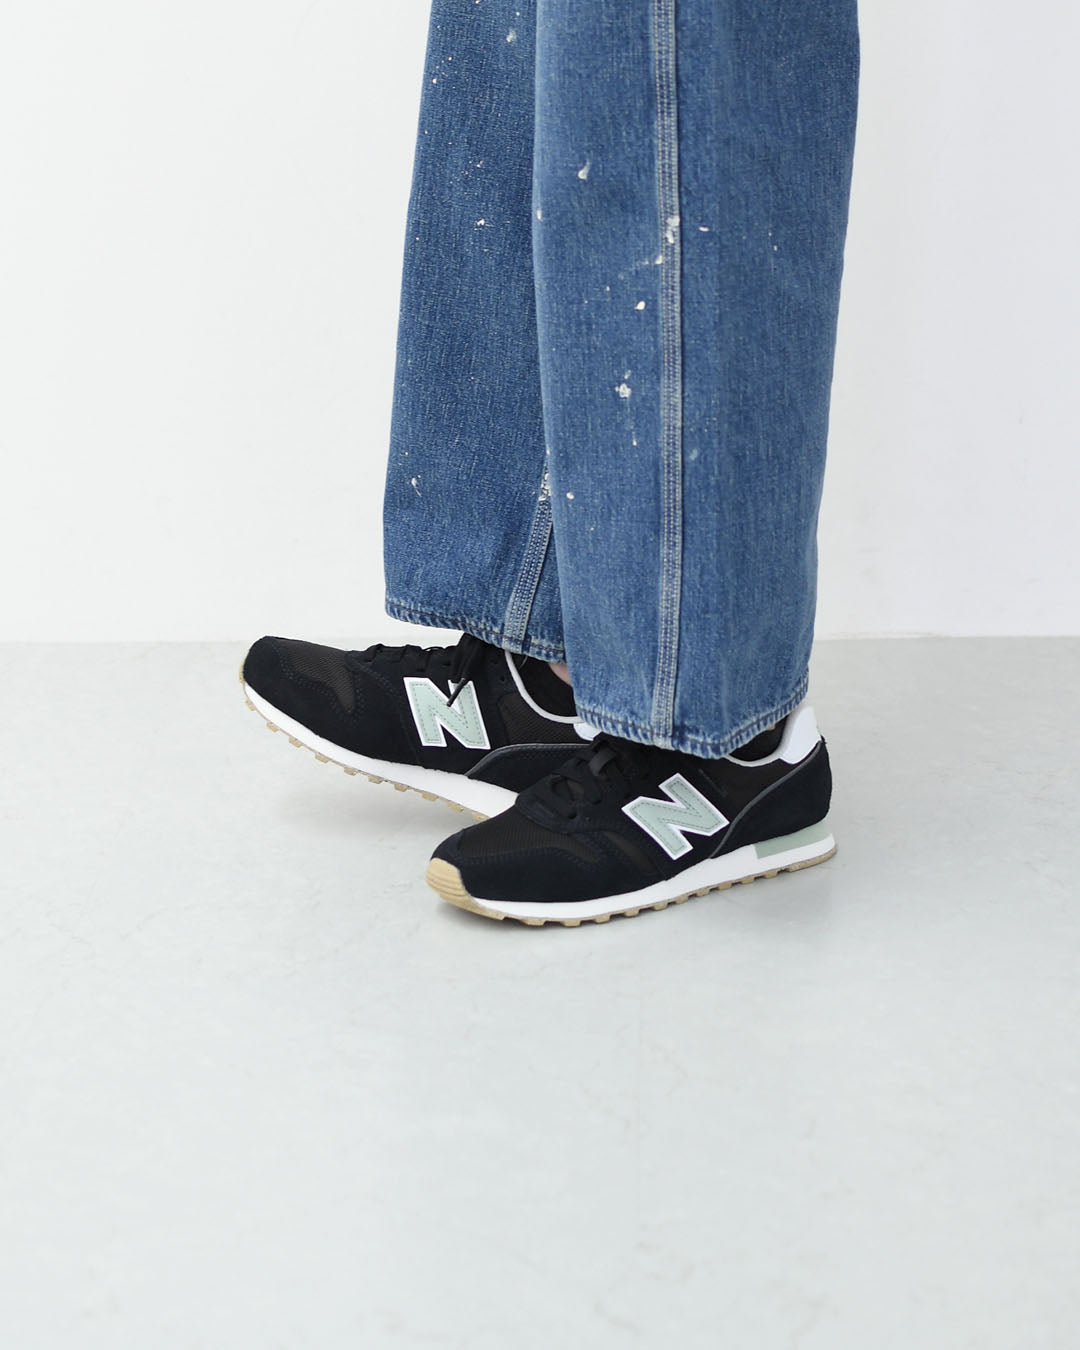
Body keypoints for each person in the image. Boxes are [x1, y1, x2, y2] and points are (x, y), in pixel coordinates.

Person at [242, 0, 860, 927]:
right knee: (526, 46)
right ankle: (543, 666)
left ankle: (726, 741)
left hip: (725, 739)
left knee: (677, 45)